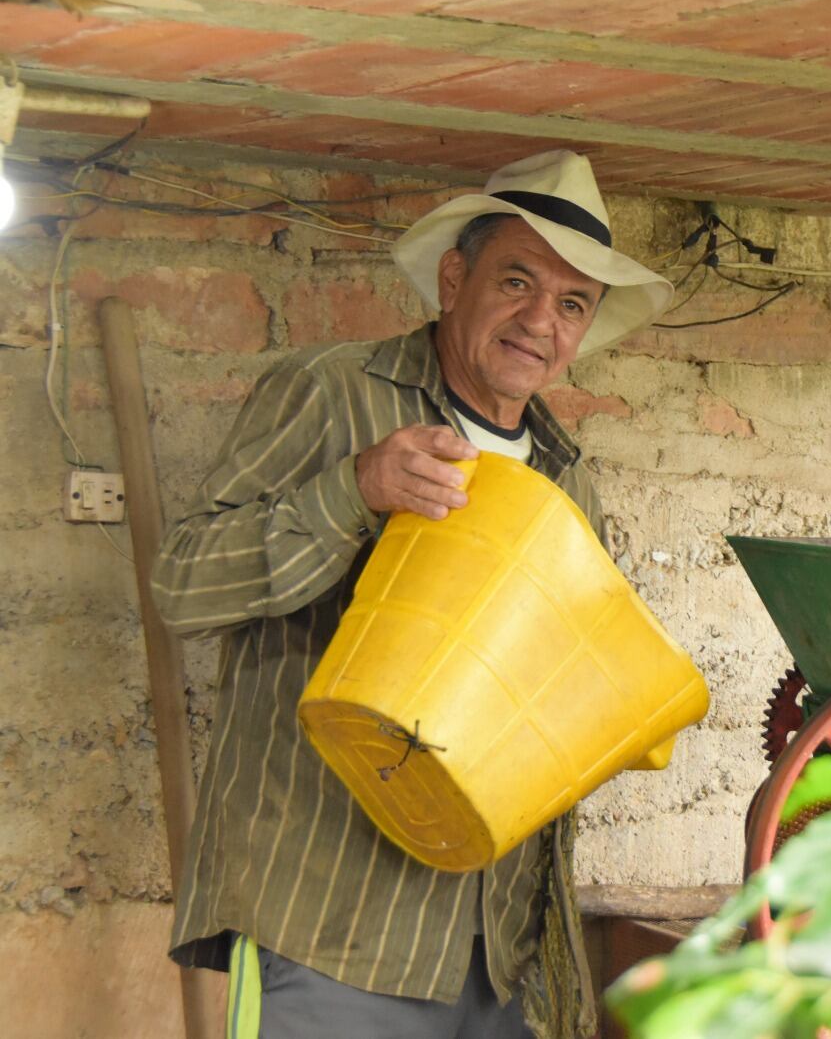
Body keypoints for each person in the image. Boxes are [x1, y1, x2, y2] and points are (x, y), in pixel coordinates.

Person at [152, 151, 673, 1038]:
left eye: (572, 303)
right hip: (331, 924)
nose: (540, 320)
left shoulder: (565, 479)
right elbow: (183, 586)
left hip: (494, 941)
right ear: (453, 277)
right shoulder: (332, 393)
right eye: (518, 281)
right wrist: (352, 491)